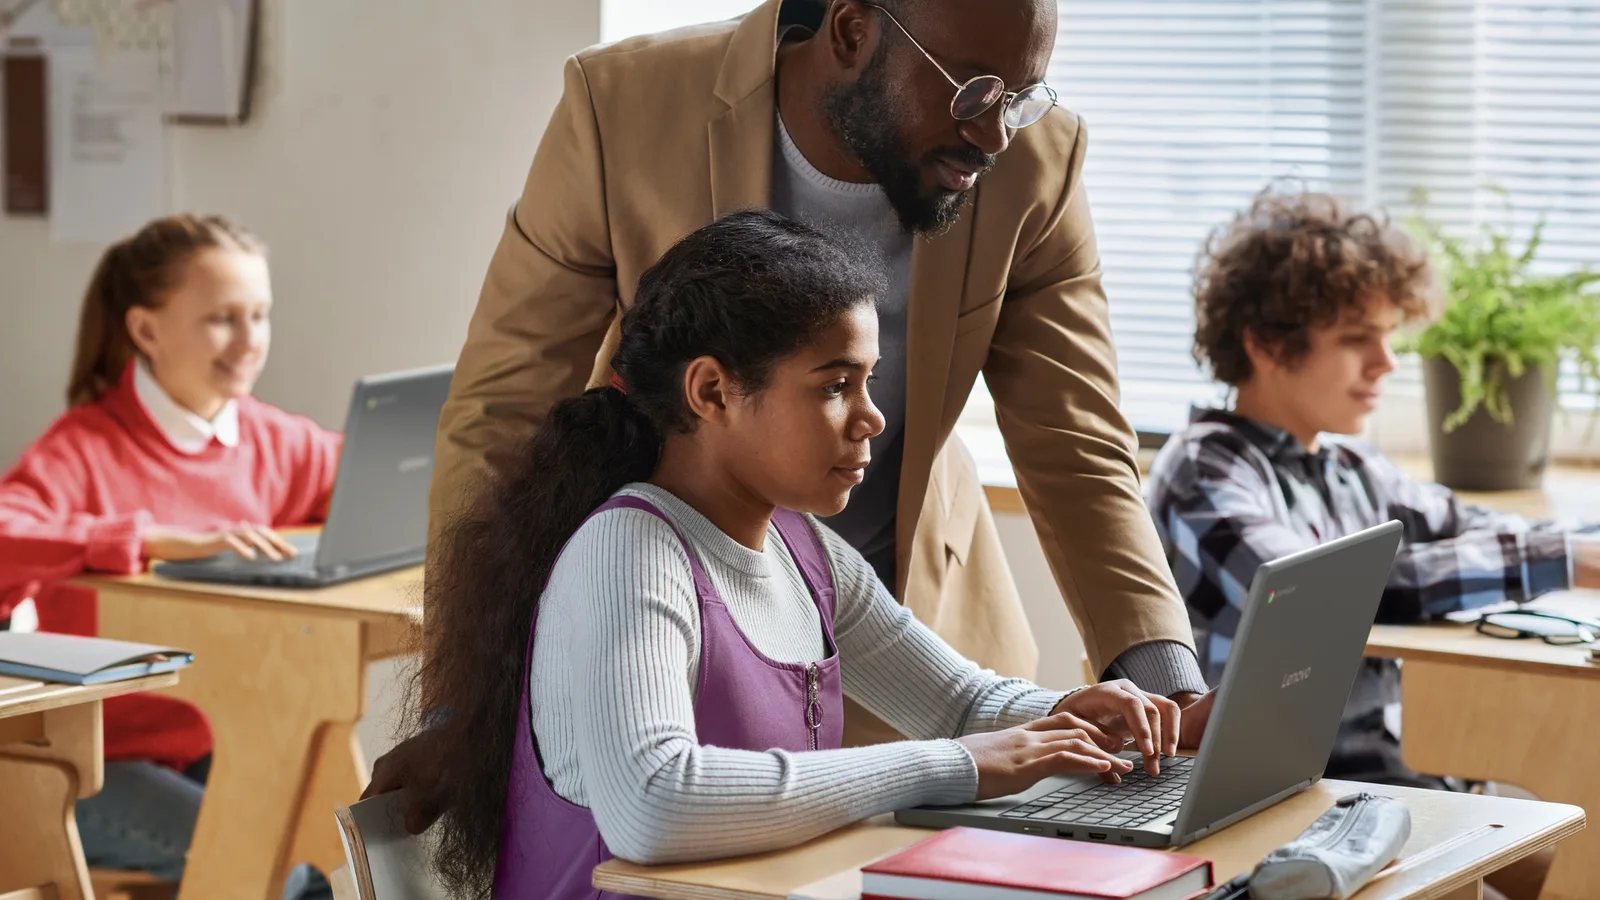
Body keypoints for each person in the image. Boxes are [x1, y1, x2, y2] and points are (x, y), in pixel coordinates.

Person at [373, 0, 1222, 816]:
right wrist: (460, 704)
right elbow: (503, 413)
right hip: (675, 634)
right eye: (973, 92)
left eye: (1021, 96)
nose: (997, 132)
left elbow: (1077, 444)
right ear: (853, 30)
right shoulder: (623, 110)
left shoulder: (1034, 164)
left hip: (900, 609)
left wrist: (1162, 693)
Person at [419, 210, 1188, 899]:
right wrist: (959, 764)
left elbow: (959, 704)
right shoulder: (629, 551)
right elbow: (654, 803)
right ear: (712, 392)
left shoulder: (800, 546)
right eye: (835, 386)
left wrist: (1072, 717)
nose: (872, 417)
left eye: (868, 381)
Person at [1145, 189, 1600, 788]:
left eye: (1388, 336)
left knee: (1563, 803)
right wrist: (1561, 559)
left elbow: (1483, 529)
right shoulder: (1204, 469)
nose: (1386, 361)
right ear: (1266, 343)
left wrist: (1575, 546)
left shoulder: (1351, 465)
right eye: (1357, 338)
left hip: (1380, 753)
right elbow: (1317, 596)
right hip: (1282, 777)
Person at [0, 214, 339, 898]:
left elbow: (378, 494)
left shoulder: (276, 441)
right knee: (283, 873)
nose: (250, 342)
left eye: (260, 316)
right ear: (146, 330)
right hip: (87, 765)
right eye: (222, 319)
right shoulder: (84, 449)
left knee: (345, 851)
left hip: (222, 744)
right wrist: (143, 537)